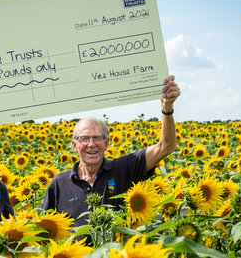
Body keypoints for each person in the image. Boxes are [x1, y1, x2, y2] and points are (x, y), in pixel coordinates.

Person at [42, 75, 180, 228]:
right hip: (73, 252)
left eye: (97, 138)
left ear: (107, 143)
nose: (91, 144)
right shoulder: (59, 184)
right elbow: (44, 228)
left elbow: (165, 147)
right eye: (84, 139)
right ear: (75, 145)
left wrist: (167, 109)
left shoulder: (123, 169)